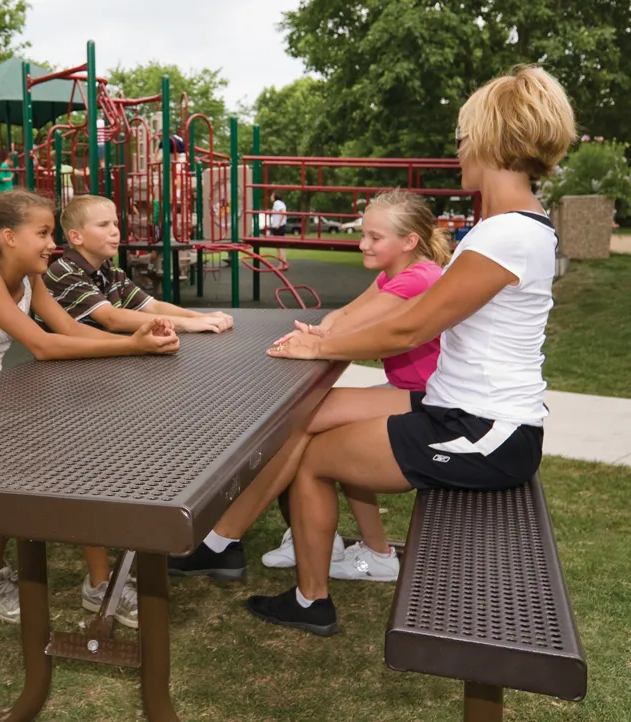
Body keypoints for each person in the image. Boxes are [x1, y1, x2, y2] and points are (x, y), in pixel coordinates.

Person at [245, 65, 574, 636]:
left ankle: (310, 599)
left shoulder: (508, 234)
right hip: (455, 408)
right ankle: (303, 574)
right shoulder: (512, 226)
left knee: (314, 465)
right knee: (310, 430)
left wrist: (316, 345)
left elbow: (408, 330)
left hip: (486, 430)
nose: (460, 149)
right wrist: (327, 339)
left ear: (495, 137)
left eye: (464, 135)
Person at [0, 189, 180, 628]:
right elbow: (42, 346)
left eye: (52, 232)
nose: (52, 242)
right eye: (43, 232)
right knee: (38, 463)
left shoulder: (31, 278)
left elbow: (70, 328)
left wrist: (140, 344)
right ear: (8, 237)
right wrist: (130, 345)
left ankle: (99, 585)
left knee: (67, 451)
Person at [257, 189, 451, 579]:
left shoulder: (417, 279)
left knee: (302, 421)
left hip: (429, 399)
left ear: (409, 241)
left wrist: (317, 340)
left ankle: (297, 536)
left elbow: (351, 327)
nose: (362, 243)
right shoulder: (395, 273)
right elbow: (344, 314)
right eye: (364, 234)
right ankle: (329, 539)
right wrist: (319, 331)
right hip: (409, 390)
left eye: (374, 237)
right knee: (316, 426)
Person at [44, 195, 234, 334]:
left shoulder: (110, 271)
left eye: (115, 223)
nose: (114, 232)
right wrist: (186, 324)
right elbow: (111, 318)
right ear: (76, 237)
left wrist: (199, 317)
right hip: (60, 372)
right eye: (103, 225)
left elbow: (153, 306)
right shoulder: (65, 271)